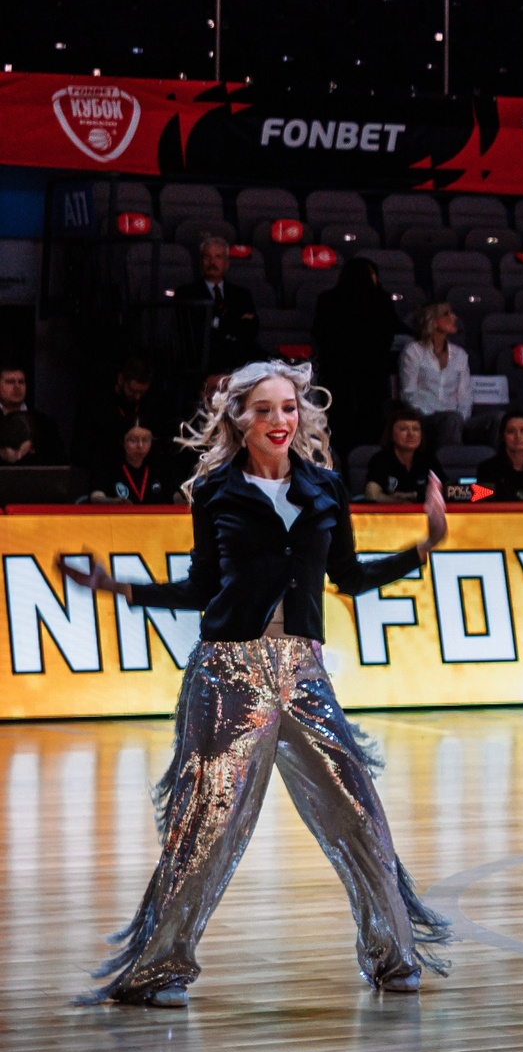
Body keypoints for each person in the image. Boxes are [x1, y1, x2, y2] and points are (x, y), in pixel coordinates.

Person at [69, 362, 449, 1006]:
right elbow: (199, 586)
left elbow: (348, 578)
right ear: (240, 419)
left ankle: (394, 957)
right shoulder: (216, 491)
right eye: (266, 410)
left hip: (304, 673)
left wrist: (425, 545)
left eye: (290, 408)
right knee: (206, 827)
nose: (281, 421)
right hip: (228, 674)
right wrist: (122, 590)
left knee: (359, 816)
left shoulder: (325, 487)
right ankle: (159, 969)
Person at [312, 257, 405, 449]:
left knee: (340, 416)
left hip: (337, 369)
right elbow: (391, 332)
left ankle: (342, 456)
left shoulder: (328, 299)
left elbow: (319, 333)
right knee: (371, 416)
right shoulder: (381, 300)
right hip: (372, 370)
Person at [177, 236, 260, 375]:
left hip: (237, 356)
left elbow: (251, 329)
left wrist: (215, 323)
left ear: (226, 263)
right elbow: (195, 329)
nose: (212, 262)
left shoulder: (242, 294)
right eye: (207, 257)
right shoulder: (186, 293)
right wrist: (236, 323)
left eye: (218, 257)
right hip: (202, 357)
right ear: (200, 262)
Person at [397, 302, 473, 452]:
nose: (453, 317)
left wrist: (461, 419)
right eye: (446, 314)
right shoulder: (413, 352)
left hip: (457, 419)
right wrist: (435, 414)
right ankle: (449, 468)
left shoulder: (460, 355)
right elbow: (408, 393)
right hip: (425, 418)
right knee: (451, 420)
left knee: (497, 420)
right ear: (432, 320)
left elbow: (465, 397)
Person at [84, 421, 181, 504]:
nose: (140, 446)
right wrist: (113, 502)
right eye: (133, 440)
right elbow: (96, 496)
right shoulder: (108, 465)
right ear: (123, 441)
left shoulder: (161, 465)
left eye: (145, 440)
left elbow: (175, 495)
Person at [363, 405, 440, 503]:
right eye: (403, 429)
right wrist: (397, 502)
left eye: (415, 429)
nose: (411, 434)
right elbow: (371, 495)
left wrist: (414, 495)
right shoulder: (380, 459)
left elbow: (446, 491)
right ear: (391, 434)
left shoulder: (429, 459)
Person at [0, 364, 65, 466]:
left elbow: (59, 464)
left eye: (21, 382)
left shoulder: (45, 424)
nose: (17, 387)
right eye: (10, 382)